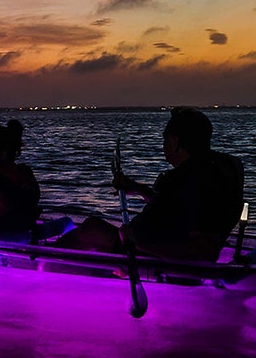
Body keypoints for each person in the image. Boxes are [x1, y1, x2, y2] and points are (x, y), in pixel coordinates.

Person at [56, 107, 244, 261]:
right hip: (150, 245)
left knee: (93, 228)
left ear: (174, 142)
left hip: (150, 257)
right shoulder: (213, 171)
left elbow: (203, 250)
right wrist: (138, 189)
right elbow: (179, 209)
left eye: (164, 140)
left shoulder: (194, 180)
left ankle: (41, 262)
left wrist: (137, 242)